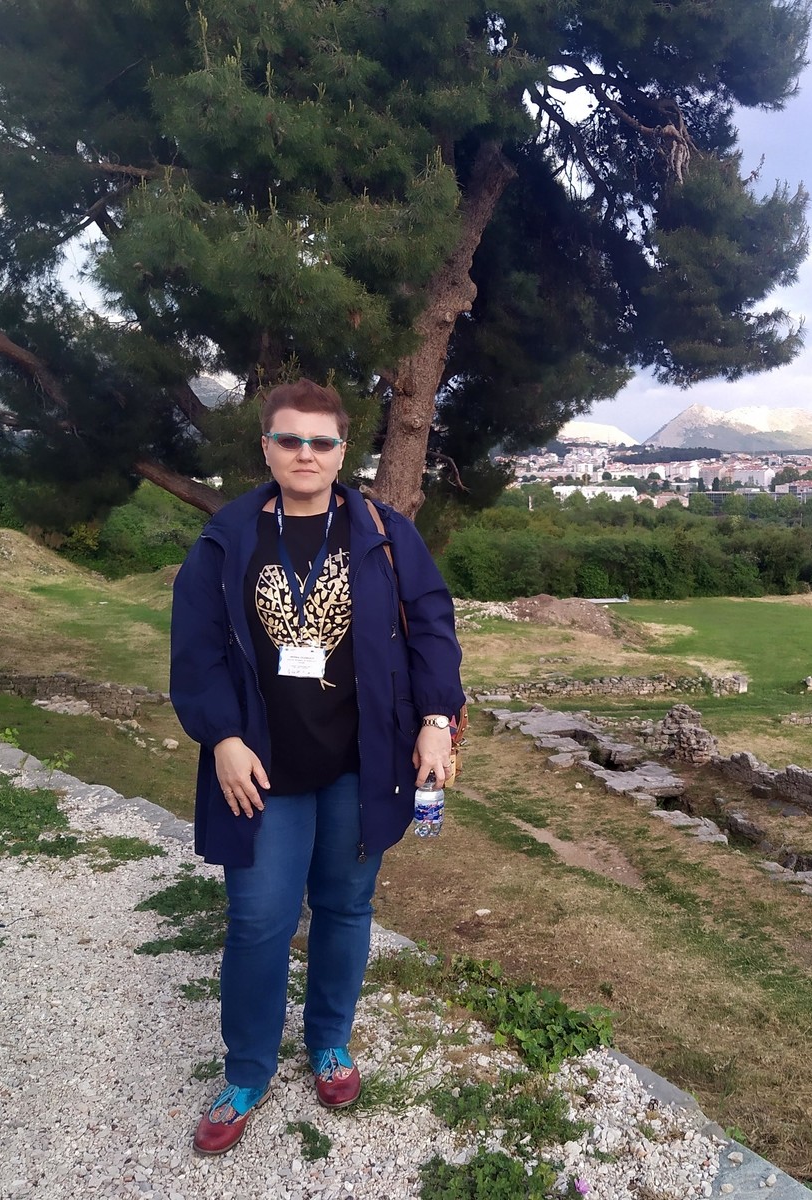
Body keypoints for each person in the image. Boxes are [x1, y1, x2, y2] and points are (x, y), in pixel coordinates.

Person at [169, 379, 464, 1155]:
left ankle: (329, 1041)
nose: (306, 453)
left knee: (344, 907)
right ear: (266, 447)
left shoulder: (384, 533)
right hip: (260, 767)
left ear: (342, 452)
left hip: (361, 763)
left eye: (321, 441)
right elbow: (195, 653)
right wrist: (222, 737)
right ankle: (247, 1071)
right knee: (258, 918)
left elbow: (434, 629)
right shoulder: (226, 537)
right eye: (290, 439)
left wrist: (437, 722)